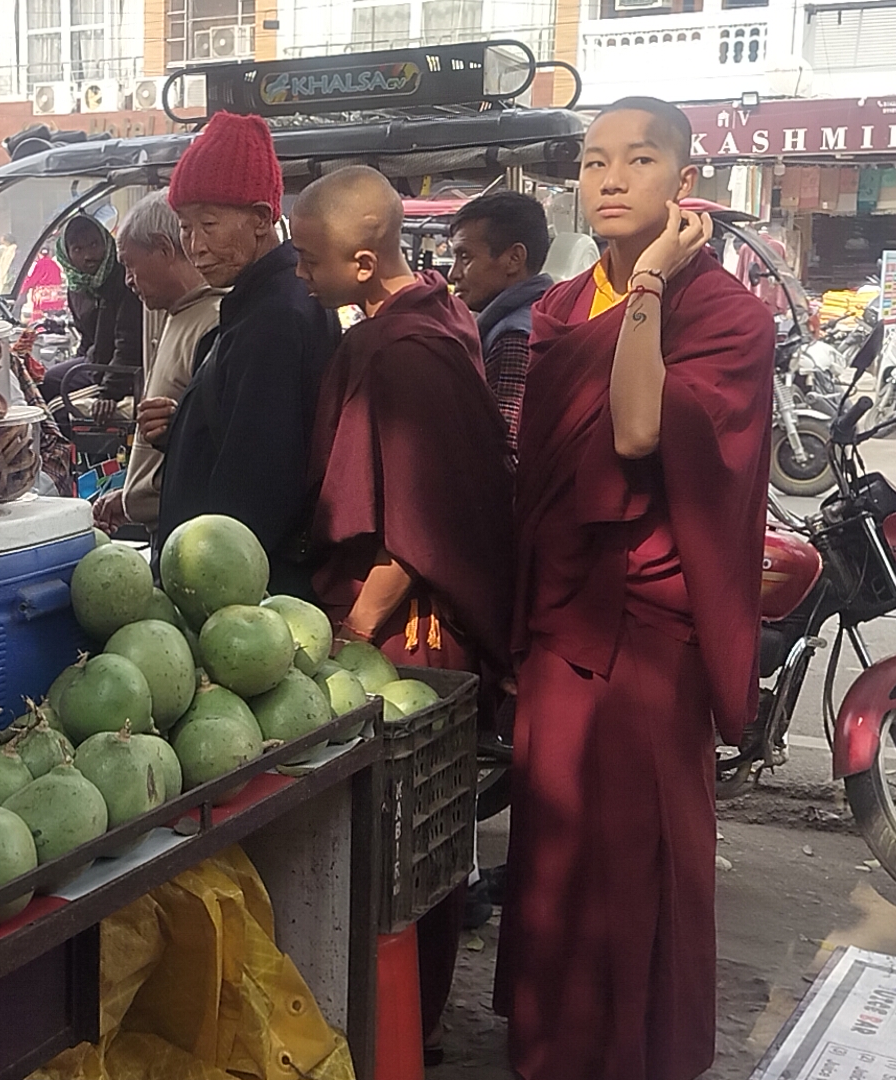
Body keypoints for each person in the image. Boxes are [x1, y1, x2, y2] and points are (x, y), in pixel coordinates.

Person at [493, 97, 774, 1080]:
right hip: (563, 611)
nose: (610, 179)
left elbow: (639, 430)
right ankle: (553, 1048)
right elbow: (540, 471)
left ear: (684, 183)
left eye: (639, 160)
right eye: (593, 161)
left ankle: (639, 1055)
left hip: (649, 628)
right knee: (556, 845)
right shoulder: (565, 307)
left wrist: (650, 281)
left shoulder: (730, 317)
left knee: (639, 847)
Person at [290, 165, 515, 1067]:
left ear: (359, 259)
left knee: (400, 841)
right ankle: (411, 1018)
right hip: (415, 622)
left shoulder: (401, 352)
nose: (299, 273)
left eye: (307, 259)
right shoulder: (435, 313)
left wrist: (353, 634)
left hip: (407, 632)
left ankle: (400, 1025)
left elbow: (413, 531)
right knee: (428, 834)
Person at [145, 111, 340, 595]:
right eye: (185, 228)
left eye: (208, 224)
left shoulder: (276, 317)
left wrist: (209, 592)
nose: (195, 245)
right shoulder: (256, 303)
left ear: (260, 219)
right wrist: (185, 428)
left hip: (236, 590)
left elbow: (261, 482)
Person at [93, 191, 222, 536]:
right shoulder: (178, 314)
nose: (127, 279)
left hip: (191, 534)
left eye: (130, 264)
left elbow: (203, 447)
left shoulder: (212, 322)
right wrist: (131, 498)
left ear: (164, 249)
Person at [445, 192, 555, 453]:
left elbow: (506, 449)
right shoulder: (544, 313)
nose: (453, 273)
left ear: (514, 259)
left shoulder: (514, 337)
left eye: (465, 257)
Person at [40, 215, 144, 399]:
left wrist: (109, 393)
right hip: (95, 362)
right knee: (47, 381)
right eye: (78, 249)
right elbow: (87, 340)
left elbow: (129, 346)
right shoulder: (76, 289)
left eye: (94, 245)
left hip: (124, 370)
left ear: (106, 243)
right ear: (67, 255)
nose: (88, 256)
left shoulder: (124, 281)